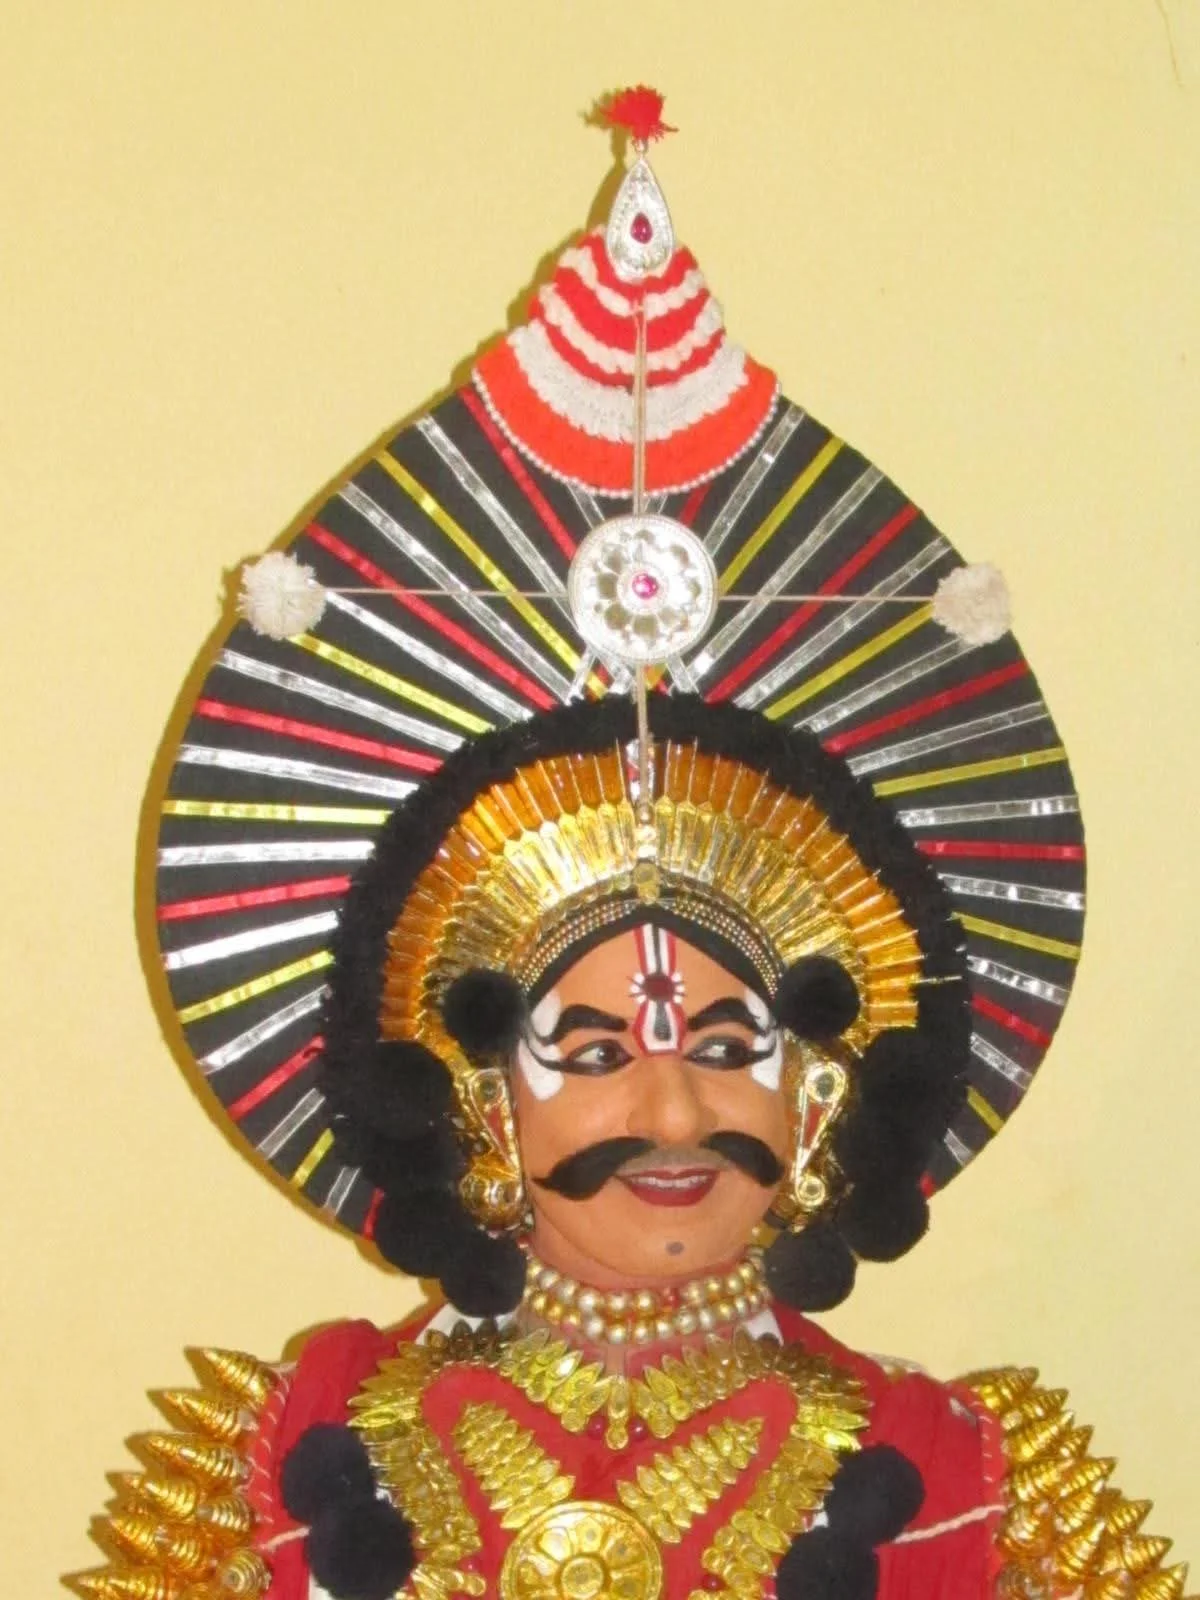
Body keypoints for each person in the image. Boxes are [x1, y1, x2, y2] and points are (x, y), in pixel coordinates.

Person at [72, 90, 1190, 1600]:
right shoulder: (289, 1458)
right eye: (591, 1051)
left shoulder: (966, 1481)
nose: (672, 1110)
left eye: (728, 1044)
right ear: (475, 1094)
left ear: (819, 1084)